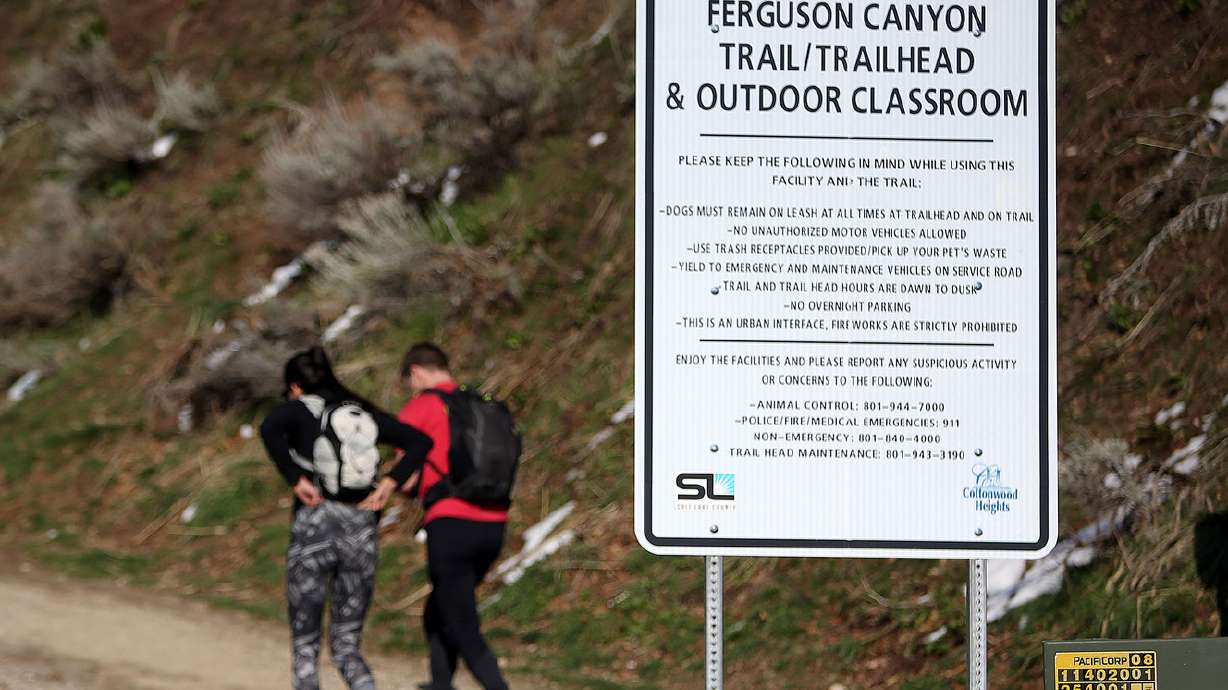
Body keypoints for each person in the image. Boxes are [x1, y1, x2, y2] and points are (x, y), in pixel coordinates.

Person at [260, 346, 433, 690]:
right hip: (360, 531)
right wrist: (389, 483)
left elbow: (268, 429)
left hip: (313, 528)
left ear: (295, 387)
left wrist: (295, 478)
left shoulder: (296, 410)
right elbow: (419, 442)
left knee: (306, 644)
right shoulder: (361, 413)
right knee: (346, 643)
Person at [398, 342, 511, 690]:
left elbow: (407, 479)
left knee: (462, 623)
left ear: (416, 372)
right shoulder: (482, 403)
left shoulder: (421, 408)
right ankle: (440, 683)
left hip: (451, 524)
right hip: (493, 524)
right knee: (440, 608)